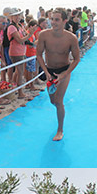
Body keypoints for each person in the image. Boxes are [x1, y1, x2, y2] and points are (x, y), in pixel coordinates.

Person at [36, 8, 80, 141]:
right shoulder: (43, 35)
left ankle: (60, 130)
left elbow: (76, 59)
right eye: (52, 19)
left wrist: (64, 74)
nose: (53, 22)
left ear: (64, 21)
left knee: (59, 101)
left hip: (64, 71)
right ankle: (60, 113)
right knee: (53, 101)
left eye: (56, 20)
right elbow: (38, 54)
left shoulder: (71, 38)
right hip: (49, 71)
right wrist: (45, 71)